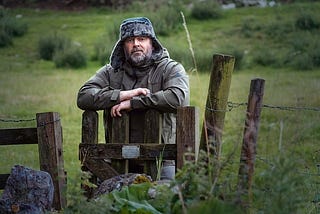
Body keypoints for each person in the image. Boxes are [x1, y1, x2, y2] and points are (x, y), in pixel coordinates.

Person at [77, 17, 189, 180]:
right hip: (117, 158)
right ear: (123, 46)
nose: (136, 43)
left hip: (163, 159)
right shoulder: (111, 72)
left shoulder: (170, 68)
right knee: (105, 198)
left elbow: (179, 97)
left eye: (142, 39)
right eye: (130, 40)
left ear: (152, 43)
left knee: (164, 199)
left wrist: (134, 103)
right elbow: (83, 96)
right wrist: (122, 95)